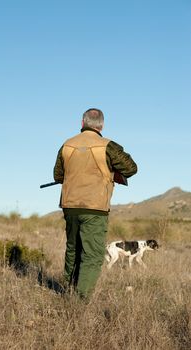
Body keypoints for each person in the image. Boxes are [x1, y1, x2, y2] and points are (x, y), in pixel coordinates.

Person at [53, 108, 137, 299]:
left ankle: (66, 291)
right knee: (92, 254)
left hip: (70, 205)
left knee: (73, 249)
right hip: (95, 207)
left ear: (82, 123)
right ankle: (79, 301)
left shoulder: (67, 145)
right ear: (102, 125)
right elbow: (131, 168)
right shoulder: (108, 146)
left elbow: (58, 175)